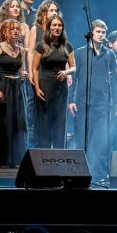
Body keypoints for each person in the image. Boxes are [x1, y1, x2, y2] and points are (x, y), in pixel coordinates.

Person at [69, 19, 117, 185]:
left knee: (101, 141)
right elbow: (74, 77)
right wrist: (70, 100)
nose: (101, 35)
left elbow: (114, 80)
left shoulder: (110, 54)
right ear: (91, 33)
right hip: (83, 102)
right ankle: (80, 175)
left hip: (102, 104)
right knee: (82, 140)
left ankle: (99, 176)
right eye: (98, 32)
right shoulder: (79, 53)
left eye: (103, 32)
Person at [0, 18, 27, 168]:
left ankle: (16, 159)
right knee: (3, 123)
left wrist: (24, 75)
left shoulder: (21, 49)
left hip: (17, 88)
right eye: (12, 29)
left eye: (17, 29)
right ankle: (1, 159)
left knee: (17, 123)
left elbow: (23, 70)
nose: (15, 31)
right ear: (4, 31)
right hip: (4, 86)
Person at [31, 15, 74, 150]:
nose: (57, 28)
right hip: (45, 85)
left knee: (60, 121)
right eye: (54, 25)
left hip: (61, 88)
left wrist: (66, 72)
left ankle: (59, 154)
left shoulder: (67, 45)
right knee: (45, 121)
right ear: (49, 27)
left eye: (59, 25)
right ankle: (44, 155)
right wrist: (37, 88)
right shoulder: (41, 45)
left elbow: (73, 67)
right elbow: (35, 68)